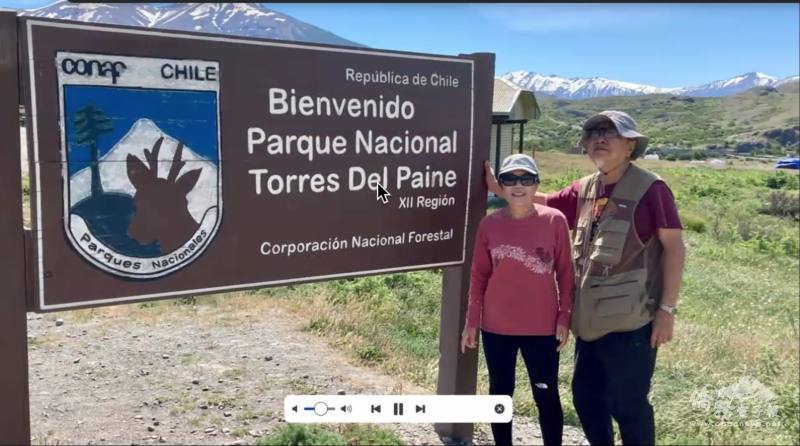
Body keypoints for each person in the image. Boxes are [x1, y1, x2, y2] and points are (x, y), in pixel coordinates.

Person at [485, 110, 686, 445]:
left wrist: (667, 310)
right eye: (594, 134)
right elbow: (546, 201)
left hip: (630, 325)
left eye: (611, 134)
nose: (600, 140)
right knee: (587, 401)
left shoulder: (652, 189)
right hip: (589, 323)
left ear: (630, 145)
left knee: (628, 406)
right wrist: (500, 187)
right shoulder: (586, 188)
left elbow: (674, 248)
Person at [462, 153, 574, 446]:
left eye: (526, 178)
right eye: (510, 179)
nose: (518, 185)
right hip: (497, 328)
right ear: (502, 185)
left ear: (537, 184)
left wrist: (564, 318)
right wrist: (472, 322)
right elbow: (478, 276)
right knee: (500, 395)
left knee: (546, 394)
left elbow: (566, 274)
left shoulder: (555, 221)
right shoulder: (489, 225)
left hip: (542, 328)